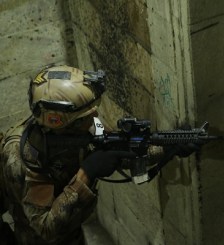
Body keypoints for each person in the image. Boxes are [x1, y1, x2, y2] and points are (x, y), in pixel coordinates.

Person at [0, 65, 200, 245]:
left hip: (73, 232)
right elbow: (45, 228)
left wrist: (168, 147)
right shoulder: (23, 156)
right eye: (86, 117)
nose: (96, 120)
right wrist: (86, 174)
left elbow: (120, 149)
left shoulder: (84, 125)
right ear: (59, 120)